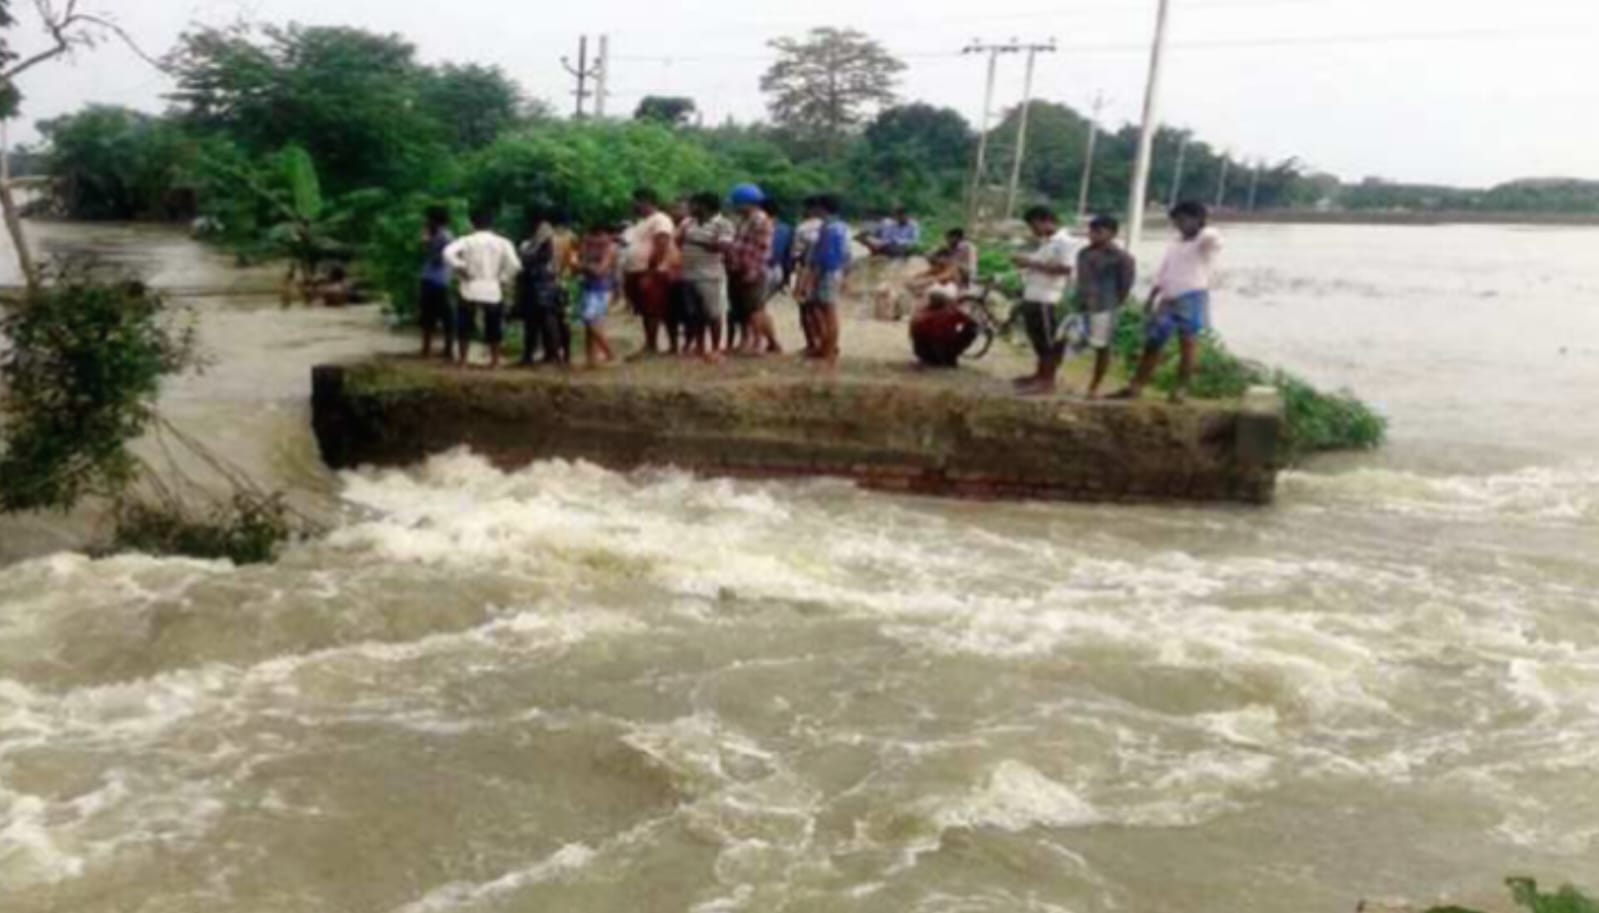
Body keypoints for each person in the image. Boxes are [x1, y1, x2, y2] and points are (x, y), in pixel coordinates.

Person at [1114, 201, 1223, 403]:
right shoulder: (1175, 244)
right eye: (1176, 221)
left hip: (1192, 296)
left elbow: (1213, 238)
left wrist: (1203, 224)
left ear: (1197, 220)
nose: (1178, 225)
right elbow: (1164, 271)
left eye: (1182, 220)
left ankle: (1181, 389)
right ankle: (1136, 386)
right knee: (1153, 342)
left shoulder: (1203, 242)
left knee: (1188, 344)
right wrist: (1152, 296)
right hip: (1168, 298)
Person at [1011, 205, 1079, 395]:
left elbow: (1066, 268)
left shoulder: (1066, 242)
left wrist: (1030, 262)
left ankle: (1047, 381)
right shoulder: (1047, 242)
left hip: (1048, 298)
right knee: (1038, 339)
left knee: (1049, 341)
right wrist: (1026, 261)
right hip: (1033, 295)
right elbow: (1043, 264)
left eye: (1034, 226)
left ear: (1045, 221)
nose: (1033, 231)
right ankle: (1039, 375)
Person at [444, 207, 521, 369]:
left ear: (473, 223)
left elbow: (447, 252)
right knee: (493, 325)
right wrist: (503, 278)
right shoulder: (502, 242)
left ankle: (463, 360)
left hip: (470, 285)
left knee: (465, 324)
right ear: (492, 224)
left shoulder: (467, 240)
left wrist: (461, 267)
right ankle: (494, 361)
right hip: (492, 287)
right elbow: (515, 264)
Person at [1073, 214, 1137, 398]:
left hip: (1105, 305)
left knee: (1102, 347)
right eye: (1091, 231)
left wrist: (1115, 304)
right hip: (1082, 304)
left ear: (1112, 234)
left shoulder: (1122, 258)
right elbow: (1080, 280)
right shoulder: (1084, 253)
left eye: (1098, 232)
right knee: (1068, 340)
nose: (1092, 235)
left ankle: (1094, 386)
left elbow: (1125, 285)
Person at [678, 191, 736, 360]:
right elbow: (677, 238)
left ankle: (716, 347)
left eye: (694, 204)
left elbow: (723, 247)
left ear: (705, 206)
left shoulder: (723, 224)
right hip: (689, 273)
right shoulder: (689, 223)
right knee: (694, 313)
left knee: (713, 313)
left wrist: (693, 242)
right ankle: (700, 346)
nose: (691, 208)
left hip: (710, 274)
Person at [725, 183, 780, 356]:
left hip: (752, 270)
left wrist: (753, 270)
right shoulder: (744, 220)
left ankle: (760, 342)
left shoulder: (760, 220)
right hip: (738, 269)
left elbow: (762, 249)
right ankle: (749, 341)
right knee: (741, 310)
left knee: (754, 309)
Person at [622, 188, 678, 355]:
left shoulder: (660, 220)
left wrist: (650, 271)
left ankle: (653, 344)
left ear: (646, 201)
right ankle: (649, 343)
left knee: (652, 308)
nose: (634, 205)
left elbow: (661, 244)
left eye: (636, 201)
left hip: (652, 271)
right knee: (645, 309)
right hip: (636, 271)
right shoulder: (641, 222)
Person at [799, 192, 852, 365]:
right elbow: (847, 255)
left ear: (821, 209)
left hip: (827, 272)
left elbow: (822, 258)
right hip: (837, 271)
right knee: (828, 311)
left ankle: (828, 349)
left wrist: (811, 279)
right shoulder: (843, 227)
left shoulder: (828, 229)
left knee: (828, 312)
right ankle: (827, 347)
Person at [517, 212, 569, 366]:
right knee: (535, 321)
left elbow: (533, 259)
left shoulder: (549, 241)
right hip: (538, 285)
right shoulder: (533, 243)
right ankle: (536, 355)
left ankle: (553, 355)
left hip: (547, 285)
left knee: (548, 320)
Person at [910, 281, 981, 368]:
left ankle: (931, 358)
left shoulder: (921, 313)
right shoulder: (952, 312)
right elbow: (971, 322)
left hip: (923, 354)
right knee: (972, 328)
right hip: (944, 353)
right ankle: (948, 357)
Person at [577, 222, 619, 369]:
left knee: (590, 320)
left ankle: (610, 354)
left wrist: (583, 266)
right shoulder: (590, 247)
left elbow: (600, 270)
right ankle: (591, 359)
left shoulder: (610, 248)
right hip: (589, 287)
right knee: (590, 324)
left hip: (601, 288)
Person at [418, 206, 455, 360]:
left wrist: (426, 240)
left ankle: (440, 349)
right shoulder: (444, 235)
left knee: (437, 315)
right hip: (438, 279)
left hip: (436, 279)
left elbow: (437, 258)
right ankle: (436, 349)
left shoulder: (443, 236)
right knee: (434, 315)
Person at [791, 200, 825, 354]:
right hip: (826, 272)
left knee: (805, 308)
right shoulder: (830, 228)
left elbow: (796, 254)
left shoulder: (803, 228)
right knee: (823, 308)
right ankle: (826, 342)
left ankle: (812, 343)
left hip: (806, 269)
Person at [764, 199, 796, 302]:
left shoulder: (757, 226)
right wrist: (786, 279)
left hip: (760, 270)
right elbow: (788, 256)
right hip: (777, 271)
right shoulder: (786, 229)